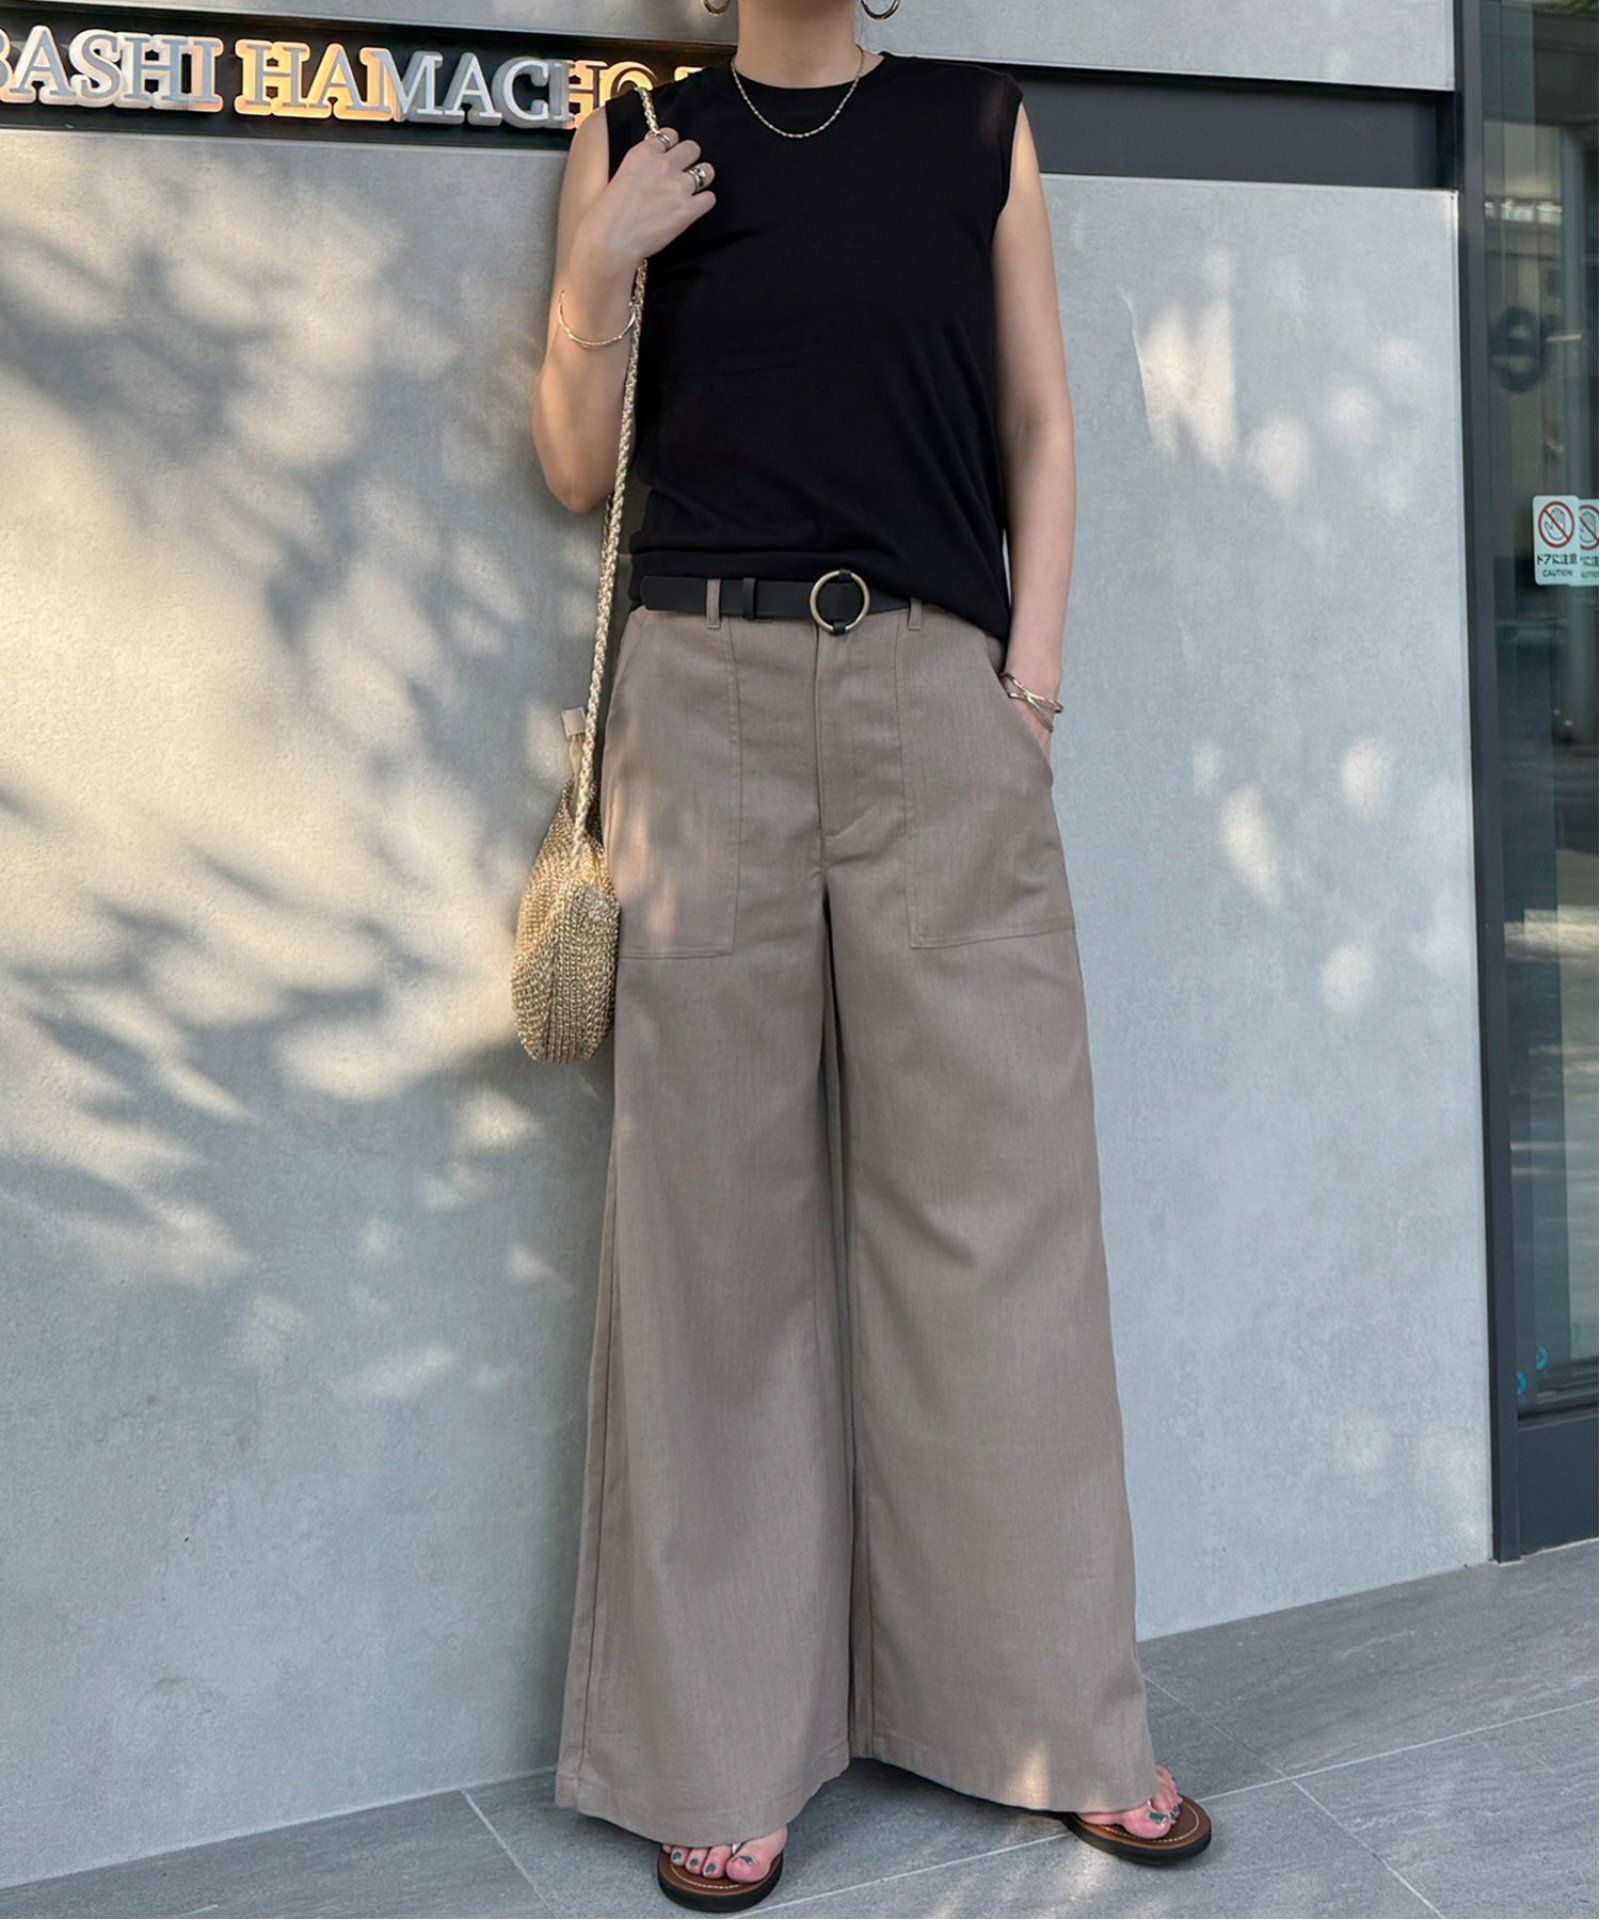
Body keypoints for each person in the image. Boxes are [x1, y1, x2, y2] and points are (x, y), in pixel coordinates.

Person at [528, 3, 1212, 1909]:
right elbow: (574, 463)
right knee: (710, 1244)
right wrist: (599, 260)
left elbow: (1041, 425)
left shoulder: (976, 127)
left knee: (1000, 1218)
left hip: (940, 699)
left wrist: (1031, 689)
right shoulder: (637, 129)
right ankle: (718, 1753)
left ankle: (1060, 1720)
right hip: (702, 706)